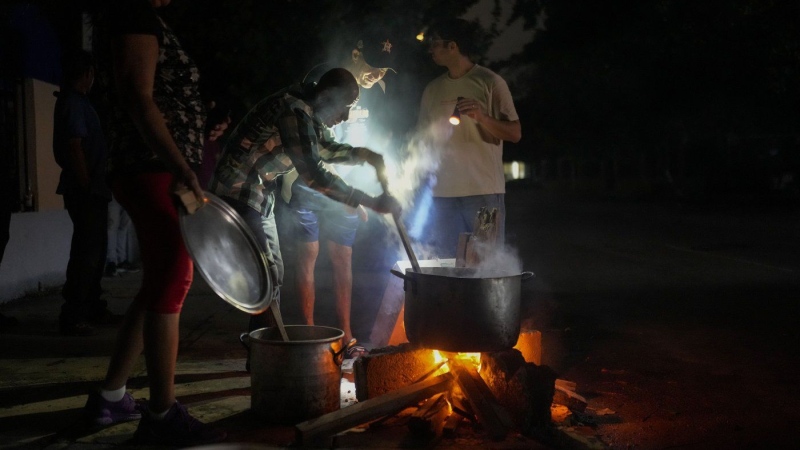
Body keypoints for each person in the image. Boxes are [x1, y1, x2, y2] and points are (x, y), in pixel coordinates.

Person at [84, 0, 227, 445]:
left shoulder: (140, 17)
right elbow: (138, 95)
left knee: (158, 283)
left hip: (152, 164)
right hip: (150, 166)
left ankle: (111, 396)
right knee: (174, 276)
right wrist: (182, 166)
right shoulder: (132, 14)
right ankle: (162, 415)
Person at [209, 68, 401, 367]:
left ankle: (262, 354)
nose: (346, 117)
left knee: (270, 275)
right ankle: (266, 357)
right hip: (240, 190)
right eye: (345, 107)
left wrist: (366, 155)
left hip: (257, 192)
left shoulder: (307, 111)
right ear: (327, 97)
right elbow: (313, 173)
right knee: (268, 274)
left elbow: (325, 148)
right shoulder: (293, 109)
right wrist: (369, 201)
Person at [280, 34, 398, 357]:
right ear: (357, 54)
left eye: (385, 70)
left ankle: (345, 336)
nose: (379, 75)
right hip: (309, 181)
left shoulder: (379, 96)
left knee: (342, 257)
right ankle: (308, 332)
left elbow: (366, 140)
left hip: (343, 185)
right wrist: (360, 198)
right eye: (375, 67)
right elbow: (314, 153)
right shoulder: (324, 81)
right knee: (308, 254)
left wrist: (360, 188)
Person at [417, 18, 522, 257]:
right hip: (443, 196)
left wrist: (482, 118)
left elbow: (515, 133)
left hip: (483, 194)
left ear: (452, 46)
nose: (430, 49)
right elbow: (422, 140)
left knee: (485, 265)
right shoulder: (432, 90)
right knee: (448, 265)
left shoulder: (490, 82)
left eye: (434, 44)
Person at [52, 49, 115, 336]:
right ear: (87, 73)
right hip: (86, 188)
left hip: (92, 186)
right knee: (87, 252)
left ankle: (90, 306)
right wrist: (88, 184)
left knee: (94, 249)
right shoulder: (74, 103)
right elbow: (75, 146)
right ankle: (75, 312)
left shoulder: (79, 102)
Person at [105, 194, 140, 277]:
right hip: (114, 192)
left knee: (122, 226)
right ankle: (112, 261)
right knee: (112, 226)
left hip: (128, 193)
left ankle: (120, 260)